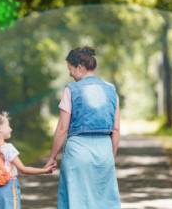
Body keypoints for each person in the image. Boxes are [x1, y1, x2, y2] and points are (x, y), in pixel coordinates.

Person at [44, 46, 121, 208]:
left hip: (78, 153)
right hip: (104, 152)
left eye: (70, 69)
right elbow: (116, 129)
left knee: (76, 201)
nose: (70, 74)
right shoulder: (111, 90)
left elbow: (62, 129)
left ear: (79, 67)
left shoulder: (71, 90)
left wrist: (52, 157)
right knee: (104, 201)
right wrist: (111, 157)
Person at [0, 111, 56, 209]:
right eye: (8, 126)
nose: (11, 129)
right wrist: (44, 170)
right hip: (8, 188)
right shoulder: (8, 148)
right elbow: (23, 169)